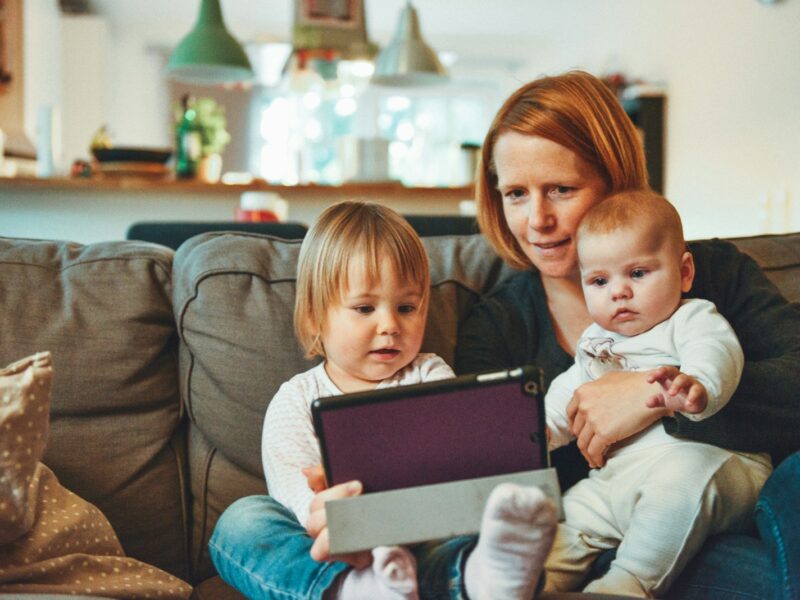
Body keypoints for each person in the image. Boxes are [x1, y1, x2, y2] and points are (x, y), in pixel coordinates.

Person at [455, 70, 800, 598]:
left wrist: (652, 394)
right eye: (516, 194)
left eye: (561, 190)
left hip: (717, 523)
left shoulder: (712, 276)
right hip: (588, 530)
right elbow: (494, 469)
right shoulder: (498, 324)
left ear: (615, 181)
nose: (538, 220)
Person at [210, 200, 559, 600]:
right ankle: (355, 590)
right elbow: (296, 500)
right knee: (241, 521)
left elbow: (457, 462)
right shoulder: (295, 399)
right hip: (336, 550)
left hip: (424, 538)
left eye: (407, 307)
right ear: (313, 317)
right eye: (364, 308)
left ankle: (482, 578)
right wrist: (341, 522)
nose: (390, 325)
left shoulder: (429, 374)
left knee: (483, 524)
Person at [541, 190, 771, 596]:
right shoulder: (596, 340)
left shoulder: (690, 317)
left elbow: (716, 351)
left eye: (638, 273)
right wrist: (540, 430)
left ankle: (626, 584)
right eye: (599, 280)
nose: (619, 292)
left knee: (678, 482)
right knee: (571, 512)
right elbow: (570, 390)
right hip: (619, 479)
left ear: (684, 272)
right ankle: (533, 582)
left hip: (712, 465)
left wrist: (697, 385)